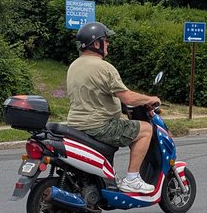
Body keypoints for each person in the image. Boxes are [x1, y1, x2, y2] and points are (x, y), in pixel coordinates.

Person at [66, 22, 161, 195]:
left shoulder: (74, 65)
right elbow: (128, 97)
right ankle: (132, 179)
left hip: (75, 125)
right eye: (106, 40)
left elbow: (94, 94)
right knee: (146, 129)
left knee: (127, 126)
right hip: (99, 125)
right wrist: (150, 99)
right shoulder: (104, 67)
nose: (108, 44)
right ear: (96, 44)